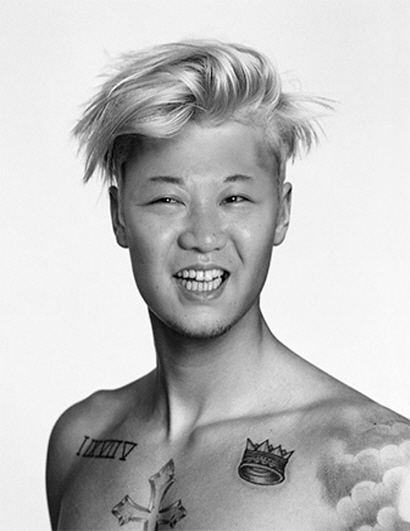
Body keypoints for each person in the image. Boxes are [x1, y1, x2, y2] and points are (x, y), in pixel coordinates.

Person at [46, 40, 410, 531]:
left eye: (234, 198)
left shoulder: (376, 465)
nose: (203, 236)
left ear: (281, 213)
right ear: (119, 216)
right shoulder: (79, 442)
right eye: (167, 200)